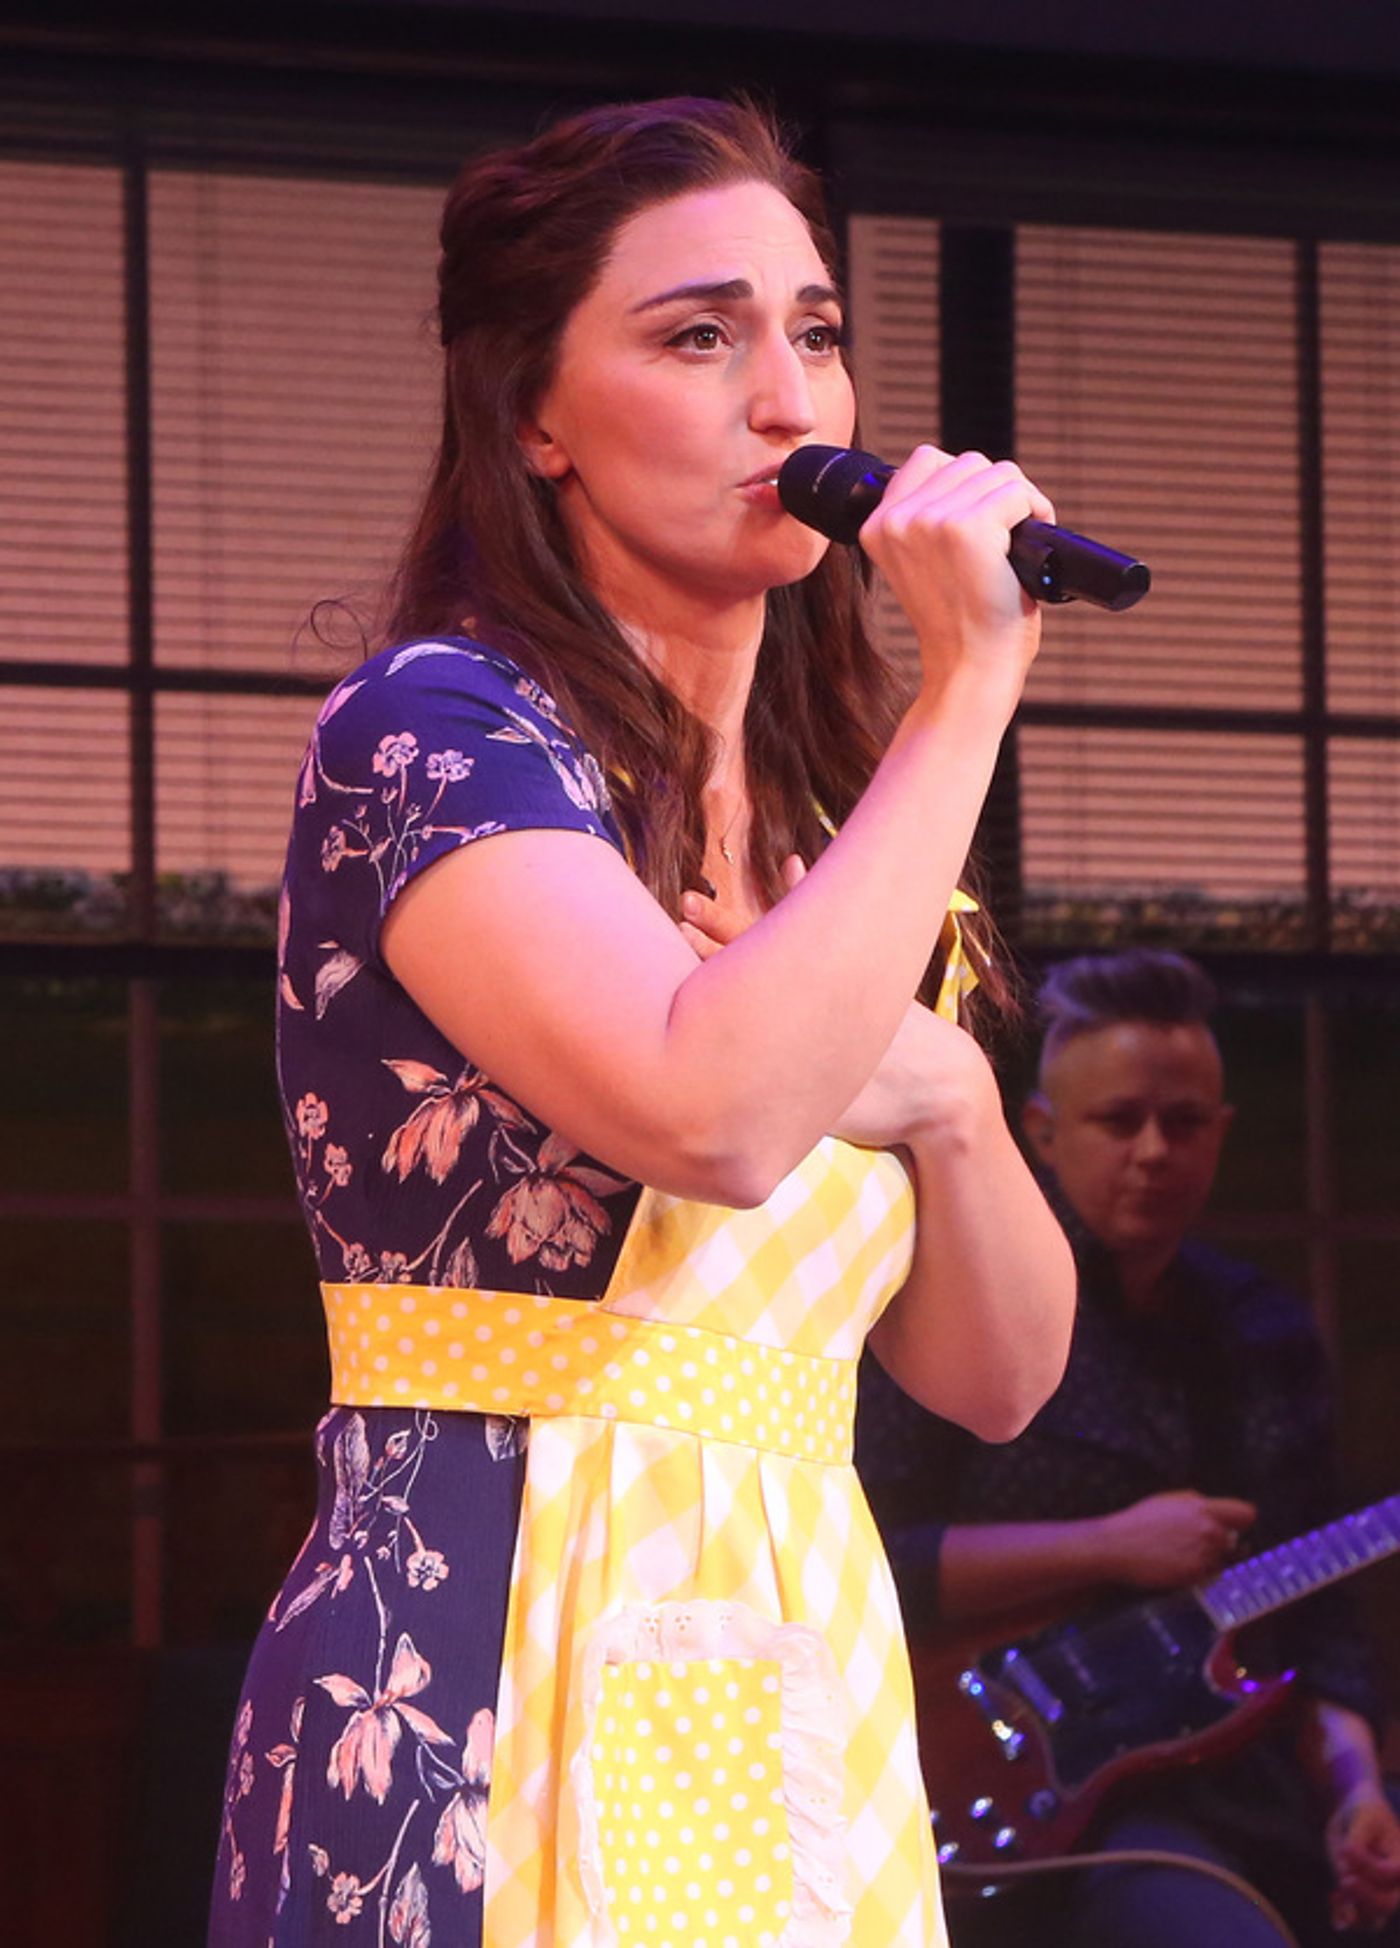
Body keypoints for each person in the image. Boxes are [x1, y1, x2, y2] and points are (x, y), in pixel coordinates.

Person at [208, 96, 1076, 1948]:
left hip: (788, 1654)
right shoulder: (440, 731)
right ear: (536, 410)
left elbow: (1000, 1379)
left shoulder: (847, 841)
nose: (789, 400)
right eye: (700, 337)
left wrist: (948, 1099)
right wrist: (970, 688)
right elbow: (718, 1117)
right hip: (483, 1625)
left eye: (815, 333)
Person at [857, 948, 1400, 1948]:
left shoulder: (1263, 1329)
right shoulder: (965, 1304)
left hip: (1232, 1775)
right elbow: (876, 1558)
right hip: (1015, 1775)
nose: (1153, 1150)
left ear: (1221, 1133)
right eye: (1119, 1121)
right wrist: (1109, 1546)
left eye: (1183, 1123)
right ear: (1040, 1133)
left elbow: (1321, 1625)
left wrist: (1359, 1792)